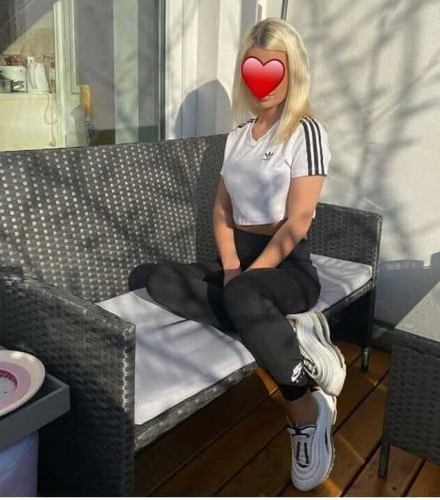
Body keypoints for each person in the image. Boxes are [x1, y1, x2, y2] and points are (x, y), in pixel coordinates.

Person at [144, 17, 343, 491]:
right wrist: (233, 269)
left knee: (244, 295)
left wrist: (247, 278)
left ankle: (306, 410)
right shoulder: (237, 136)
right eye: (253, 70)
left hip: (288, 268)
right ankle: (293, 334)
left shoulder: (306, 133)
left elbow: (298, 222)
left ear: (293, 72)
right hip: (243, 265)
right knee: (156, 278)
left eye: (275, 69)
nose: (263, 83)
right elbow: (221, 212)